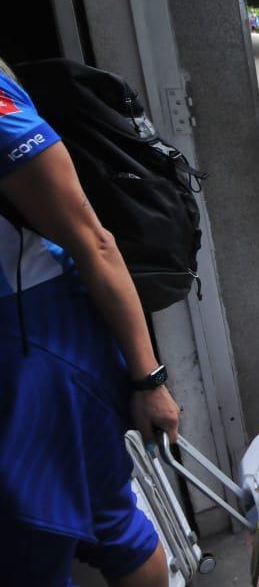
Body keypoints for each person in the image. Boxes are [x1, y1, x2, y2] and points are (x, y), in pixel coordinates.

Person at [0, 60, 181, 585]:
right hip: (34, 339)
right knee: (101, 526)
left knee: (33, 554)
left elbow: (94, 240)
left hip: (35, 345)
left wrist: (149, 381)